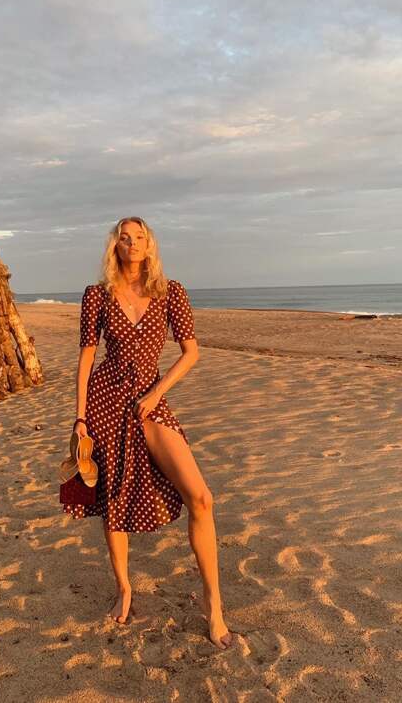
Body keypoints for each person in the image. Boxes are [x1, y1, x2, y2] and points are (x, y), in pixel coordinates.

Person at [63, 216, 234, 649]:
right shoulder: (97, 295)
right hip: (105, 402)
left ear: (149, 244)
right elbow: (86, 358)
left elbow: (191, 353)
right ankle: (124, 588)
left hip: (149, 400)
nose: (133, 244)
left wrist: (158, 392)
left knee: (201, 497)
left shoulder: (169, 291)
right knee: (112, 498)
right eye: (125, 238)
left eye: (140, 237)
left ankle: (213, 605)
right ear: (116, 246)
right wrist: (80, 418)